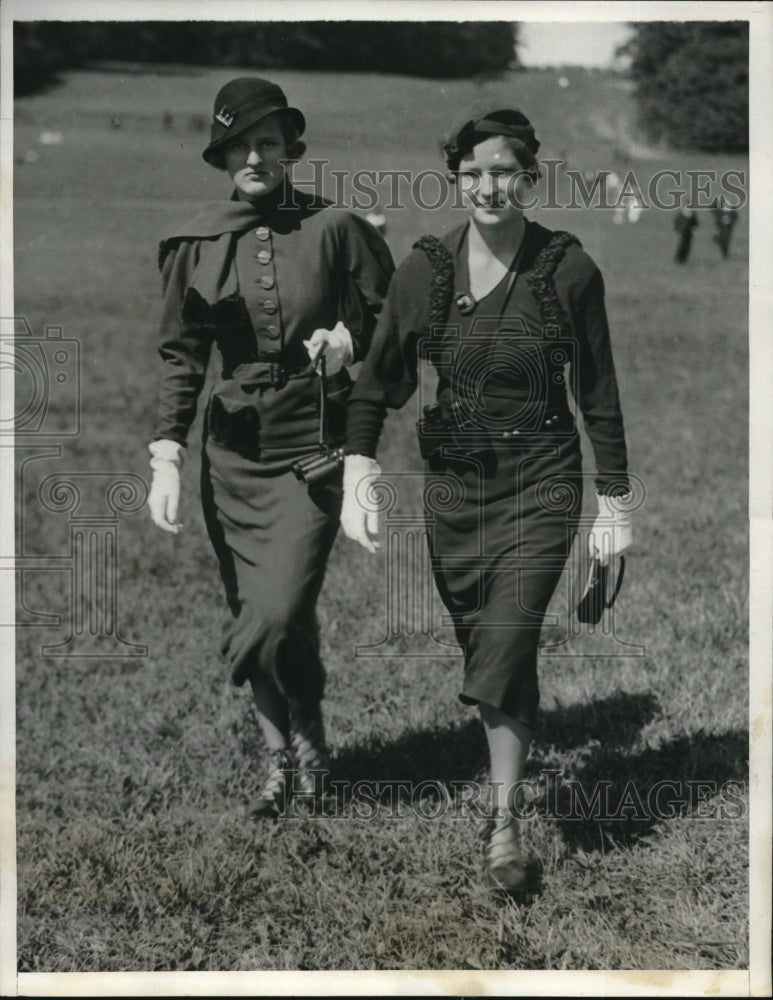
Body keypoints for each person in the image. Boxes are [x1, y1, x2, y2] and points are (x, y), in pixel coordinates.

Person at [341, 108, 633, 896]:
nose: (487, 186)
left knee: (507, 635)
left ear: (528, 177)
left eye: (503, 171)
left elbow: (597, 395)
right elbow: (379, 378)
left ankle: (503, 829)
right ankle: (505, 783)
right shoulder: (424, 269)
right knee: (484, 642)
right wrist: (357, 465)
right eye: (471, 173)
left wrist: (614, 505)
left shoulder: (569, 270)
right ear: (456, 179)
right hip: (456, 484)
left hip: (542, 475)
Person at [147, 77, 394, 816]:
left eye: (268, 142)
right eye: (240, 144)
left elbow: (396, 323)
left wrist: (351, 341)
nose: (254, 155)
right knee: (251, 613)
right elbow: (179, 356)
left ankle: (310, 739)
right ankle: (278, 763)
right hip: (232, 457)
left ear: (292, 150)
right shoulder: (193, 242)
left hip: (311, 449)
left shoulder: (338, 228)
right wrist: (166, 450)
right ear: (222, 154)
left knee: (282, 609)